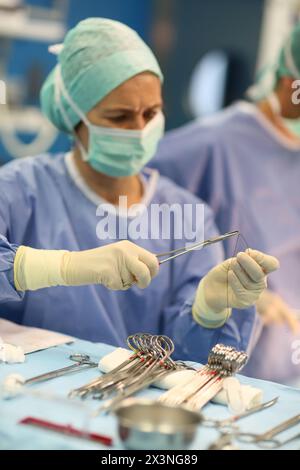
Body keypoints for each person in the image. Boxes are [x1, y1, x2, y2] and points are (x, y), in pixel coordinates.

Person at [0, 18, 278, 363]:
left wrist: (207, 310)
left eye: (152, 112)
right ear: (75, 116)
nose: (139, 129)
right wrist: (63, 266)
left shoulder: (186, 214)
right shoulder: (19, 189)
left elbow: (194, 361)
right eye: (120, 117)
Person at [151, 23, 300, 381]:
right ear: (287, 83)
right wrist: (216, 283)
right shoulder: (214, 144)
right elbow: (138, 211)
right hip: (234, 347)